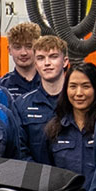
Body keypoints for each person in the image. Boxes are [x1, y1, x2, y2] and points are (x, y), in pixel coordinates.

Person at [43, 63, 96, 189]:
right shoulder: (55, 129)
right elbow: (46, 175)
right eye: (73, 86)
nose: (78, 93)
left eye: (86, 86)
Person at [14, 35, 69, 163]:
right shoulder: (22, 105)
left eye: (53, 56)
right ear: (35, 64)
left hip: (74, 179)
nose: (47, 63)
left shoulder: (78, 101)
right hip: (36, 179)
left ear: (65, 61)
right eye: (40, 58)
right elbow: (20, 150)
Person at [0, 22, 43, 98]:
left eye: (29, 46)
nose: (23, 53)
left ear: (38, 48)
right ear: (9, 50)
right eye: (17, 47)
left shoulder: (50, 84)